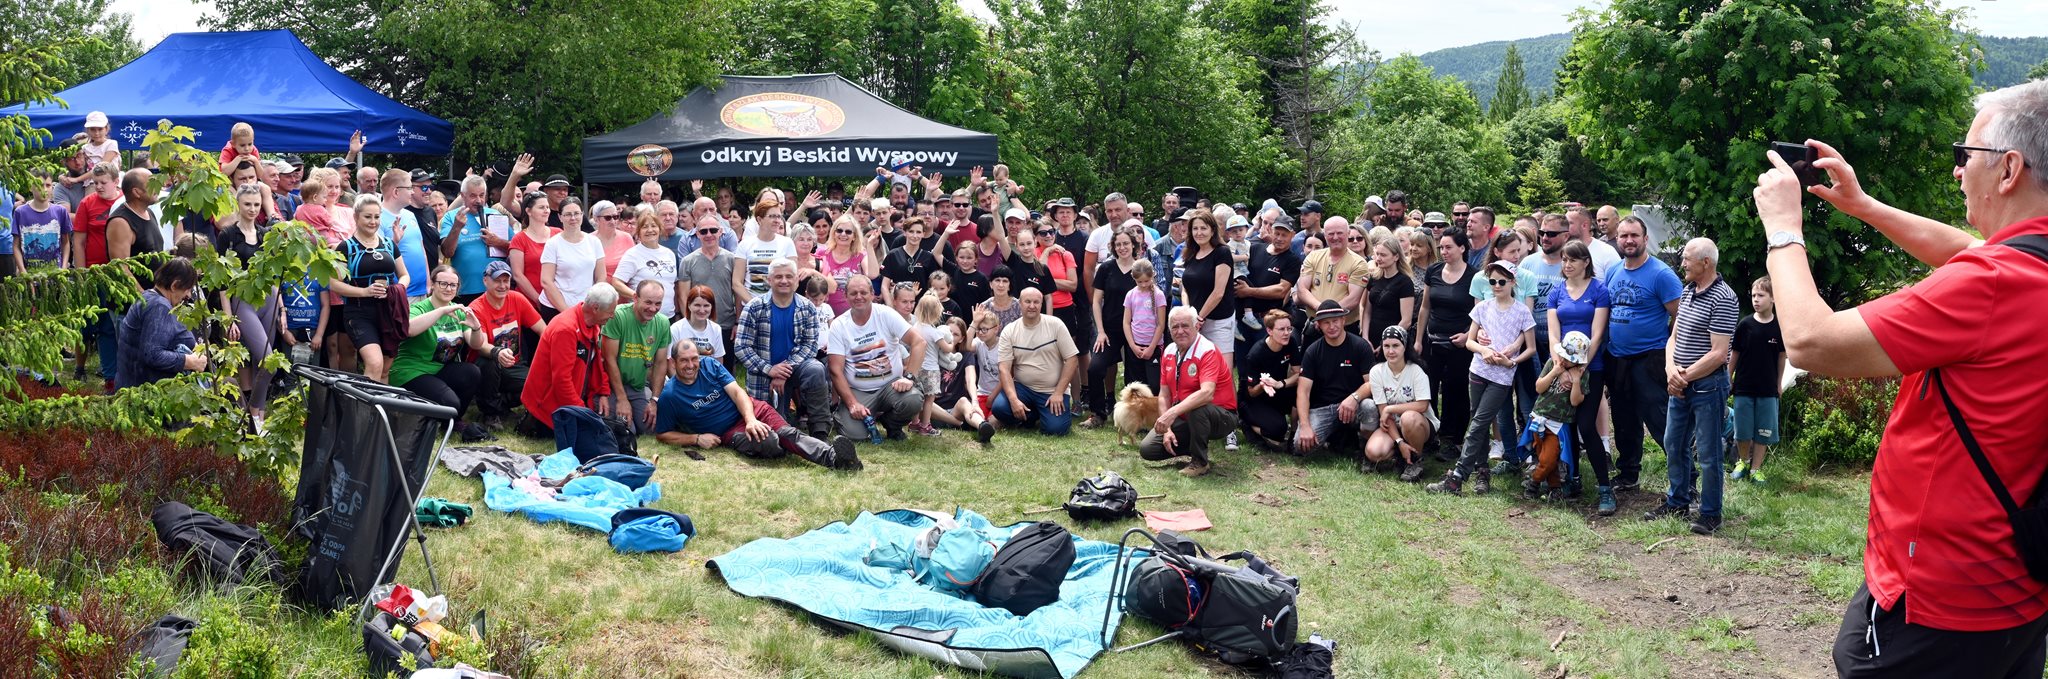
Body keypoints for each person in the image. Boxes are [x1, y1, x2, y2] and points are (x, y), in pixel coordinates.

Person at [1751, 90, 2048, 674]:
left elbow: (1811, 341)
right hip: (2017, 589)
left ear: (2009, 169)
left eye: (1966, 154)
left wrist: (1783, 229)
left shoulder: (1990, 284)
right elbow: (1963, 248)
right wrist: (1862, 205)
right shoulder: (2030, 265)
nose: (1958, 171)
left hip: (1938, 595)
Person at [1643, 237, 1738, 535]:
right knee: (1673, 444)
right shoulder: (1687, 292)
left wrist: (1682, 377)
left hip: (1708, 386)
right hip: (1680, 383)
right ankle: (1678, 502)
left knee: (1708, 453)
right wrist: (1670, 369)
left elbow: (1719, 354)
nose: (1682, 263)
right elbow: (1673, 337)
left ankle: (1711, 513)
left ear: (1706, 262)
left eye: (1687, 258)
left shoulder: (1724, 298)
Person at [654, 341, 862, 470]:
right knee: (770, 441)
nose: (691, 365)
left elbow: (737, 392)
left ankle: (836, 459)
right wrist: (697, 438)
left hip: (753, 411)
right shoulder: (670, 396)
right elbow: (663, 434)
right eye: (684, 361)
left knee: (787, 433)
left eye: (694, 359)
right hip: (730, 431)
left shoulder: (710, 365)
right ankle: (788, 447)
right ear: (673, 362)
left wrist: (751, 419)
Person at [1429, 262, 1536, 494]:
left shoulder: (1522, 311)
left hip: (1502, 377)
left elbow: (1531, 348)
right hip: (1478, 370)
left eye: (1502, 281)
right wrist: (1484, 350)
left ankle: (1457, 477)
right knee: (1478, 420)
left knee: (1478, 423)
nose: (1497, 286)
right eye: (1492, 281)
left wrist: (1512, 362)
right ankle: (1482, 473)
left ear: (1513, 282)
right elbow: (1470, 341)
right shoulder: (1482, 308)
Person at [1601, 216, 1684, 491]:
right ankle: (1628, 474)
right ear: (1617, 239)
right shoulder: (1613, 271)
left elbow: (1681, 317)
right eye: (1624, 236)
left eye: (1634, 235)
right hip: (1617, 358)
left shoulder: (1661, 274)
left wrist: (1670, 350)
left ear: (1645, 239)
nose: (1629, 241)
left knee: (1660, 421)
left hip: (1649, 358)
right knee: (1624, 420)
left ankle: (1686, 482)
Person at [1547, 241, 1615, 512]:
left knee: (1586, 425)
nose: (1567, 264)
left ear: (1586, 262)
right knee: (1568, 425)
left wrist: (1581, 367)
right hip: (1563, 367)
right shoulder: (1556, 292)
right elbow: (1553, 334)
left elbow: (1597, 334)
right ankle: (1573, 479)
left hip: (1592, 368)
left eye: (1573, 260)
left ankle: (1605, 489)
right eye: (1564, 259)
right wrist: (1561, 367)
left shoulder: (1599, 291)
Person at [734, 259, 834, 438]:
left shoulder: (807, 308)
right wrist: (770, 369)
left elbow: (810, 346)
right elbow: (742, 347)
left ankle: (820, 430)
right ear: (769, 280)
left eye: (789, 276)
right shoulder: (754, 308)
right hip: (764, 376)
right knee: (776, 431)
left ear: (796, 280)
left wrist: (783, 370)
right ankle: (788, 423)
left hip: (795, 368)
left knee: (816, 369)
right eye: (778, 276)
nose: (784, 280)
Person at [824, 274, 928, 440]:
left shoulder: (886, 314)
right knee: (854, 434)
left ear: (872, 294)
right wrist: (852, 404)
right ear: (845, 296)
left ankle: (892, 424)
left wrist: (909, 378)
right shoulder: (838, 325)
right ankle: (848, 415)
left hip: (891, 386)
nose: (859, 297)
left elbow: (919, 342)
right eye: (853, 293)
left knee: (913, 399)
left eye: (864, 292)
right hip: (858, 391)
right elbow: (835, 370)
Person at [391, 265, 489, 440]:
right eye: (443, 283)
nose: (448, 288)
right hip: (411, 371)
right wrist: (442, 310)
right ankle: (425, 418)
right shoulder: (419, 308)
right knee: (450, 404)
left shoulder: (459, 311)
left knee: (472, 372)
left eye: (453, 285)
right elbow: (409, 330)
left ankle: (451, 421)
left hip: (440, 370)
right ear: (433, 285)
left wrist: (476, 328)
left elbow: (476, 344)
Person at [1138, 306, 1237, 477]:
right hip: (1186, 415)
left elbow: (1207, 393)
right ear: (1169, 330)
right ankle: (1194, 446)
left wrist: (1172, 413)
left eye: (1185, 326)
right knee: (1148, 449)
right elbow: (1164, 395)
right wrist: (1167, 429)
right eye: (1175, 327)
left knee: (1197, 408)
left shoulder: (1207, 350)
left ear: (1196, 326)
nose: (1180, 331)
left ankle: (1200, 462)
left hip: (1222, 416)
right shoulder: (1169, 351)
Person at [214, 184, 281, 429]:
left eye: (256, 204)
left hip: (269, 298)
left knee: (262, 363)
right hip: (242, 299)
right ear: (238, 205)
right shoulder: (227, 235)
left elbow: (275, 275)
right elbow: (222, 282)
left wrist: (282, 309)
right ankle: (253, 411)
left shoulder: (266, 234)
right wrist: (228, 318)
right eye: (247, 204)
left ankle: (257, 419)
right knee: (269, 360)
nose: (252, 209)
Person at [518, 284, 619, 438]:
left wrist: (603, 393)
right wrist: (582, 413)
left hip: (573, 401)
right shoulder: (566, 329)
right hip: (548, 407)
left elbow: (596, 363)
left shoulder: (591, 324)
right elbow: (561, 380)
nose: (612, 316)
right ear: (595, 308)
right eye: (610, 312)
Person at [330, 195, 409, 383]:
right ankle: (362, 403)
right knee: (374, 363)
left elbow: (405, 275)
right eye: (367, 217)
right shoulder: (346, 247)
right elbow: (333, 283)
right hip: (359, 312)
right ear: (356, 217)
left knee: (385, 369)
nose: (373, 222)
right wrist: (364, 292)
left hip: (389, 311)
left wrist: (397, 289)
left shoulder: (389, 244)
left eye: (376, 217)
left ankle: (379, 404)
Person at [1516, 331, 1595, 501]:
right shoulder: (1552, 363)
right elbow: (1539, 387)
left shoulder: (1582, 374)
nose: (1564, 360)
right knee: (1543, 455)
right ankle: (1555, 488)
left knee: (1549, 458)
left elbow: (1575, 401)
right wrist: (1554, 372)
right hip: (1538, 418)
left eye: (1569, 359)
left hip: (1558, 424)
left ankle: (1533, 483)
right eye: (1563, 356)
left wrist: (1575, 381)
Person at [1292, 300, 1375, 461]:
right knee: (1300, 445)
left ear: (1343, 320)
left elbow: (1371, 383)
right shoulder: (1312, 351)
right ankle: (1334, 438)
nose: (1331, 326)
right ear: (1319, 325)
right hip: (1323, 408)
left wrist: (1354, 398)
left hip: (1354, 405)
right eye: (1326, 323)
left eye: (1335, 321)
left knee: (1369, 407)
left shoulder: (1360, 346)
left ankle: (1366, 450)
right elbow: (1303, 392)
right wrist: (1305, 426)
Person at [1419, 227, 1476, 456]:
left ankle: (1454, 438)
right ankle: (1430, 433)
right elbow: (1425, 307)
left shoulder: (1474, 276)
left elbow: (1479, 313)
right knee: (1429, 388)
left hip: (1459, 343)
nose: (1444, 251)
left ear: (1462, 248)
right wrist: (1418, 339)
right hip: (1432, 340)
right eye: (1441, 247)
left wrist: (1468, 336)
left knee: (1456, 390)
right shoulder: (1433, 271)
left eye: (1448, 247)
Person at [469, 261, 546, 428]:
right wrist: (497, 352)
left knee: (538, 383)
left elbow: (543, 330)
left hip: (514, 364)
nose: (503, 286)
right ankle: (490, 413)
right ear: (485, 281)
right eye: (497, 281)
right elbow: (480, 345)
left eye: (506, 281)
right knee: (489, 362)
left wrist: (550, 353)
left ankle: (501, 405)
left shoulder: (517, 298)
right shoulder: (477, 308)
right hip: (486, 365)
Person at [993, 288, 1080, 436]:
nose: (1032, 306)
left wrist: (1059, 392)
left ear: (1041, 304)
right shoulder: (1010, 330)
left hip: (1051, 390)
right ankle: (1033, 415)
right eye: (1027, 301)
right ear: (1019, 304)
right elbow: (1004, 368)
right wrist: (1013, 400)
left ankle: (1039, 415)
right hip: (1023, 388)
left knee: (1056, 430)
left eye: (1036, 302)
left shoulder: (1055, 324)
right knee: (1000, 409)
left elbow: (1072, 359)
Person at [1083, 229, 1144, 429]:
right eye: (1118, 244)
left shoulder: (1141, 268)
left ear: (1133, 245)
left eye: (1126, 243)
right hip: (1110, 330)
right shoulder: (1106, 268)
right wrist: (1100, 331)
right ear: (1113, 247)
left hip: (1136, 331)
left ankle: (1135, 417)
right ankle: (1098, 414)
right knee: (1095, 368)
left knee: (1134, 376)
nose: (1122, 247)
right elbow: (1096, 301)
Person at [116, 258, 207, 388]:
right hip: (147, 390)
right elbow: (152, 355)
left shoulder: (149, 297)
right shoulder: (159, 307)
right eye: (187, 289)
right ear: (174, 285)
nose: (188, 296)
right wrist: (190, 361)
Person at [1728, 277, 1784, 485]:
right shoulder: (1745, 325)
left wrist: (1778, 384)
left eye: (1761, 295)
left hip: (1767, 389)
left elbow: (1781, 357)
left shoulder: (1779, 327)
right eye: (1753, 296)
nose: (1756, 300)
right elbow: (1734, 354)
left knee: (1763, 431)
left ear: (1773, 298)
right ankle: (1743, 462)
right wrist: (1728, 377)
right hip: (1743, 387)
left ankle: (1756, 469)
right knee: (1743, 430)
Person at [1366, 327, 1435, 480]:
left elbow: (1422, 405)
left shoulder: (1416, 370)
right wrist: (1399, 441)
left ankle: (1415, 461)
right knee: (1373, 452)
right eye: (1386, 346)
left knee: (1408, 417)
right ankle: (1401, 451)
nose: (1391, 351)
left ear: (1405, 346)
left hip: (1419, 424)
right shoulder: (1376, 371)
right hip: (1393, 425)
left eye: (1396, 345)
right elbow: (1384, 413)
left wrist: (1391, 408)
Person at [603, 281, 672, 434]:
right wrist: (622, 399)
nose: (653, 308)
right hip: (611, 387)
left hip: (637, 388)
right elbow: (609, 360)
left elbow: (661, 364)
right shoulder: (618, 316)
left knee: (651, 428)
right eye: (648, 302)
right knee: (626, 430)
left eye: (658, 304)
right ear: (635, 298)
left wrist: (654, 400)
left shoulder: (663, 323)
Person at [1295, 216, 1370, 345]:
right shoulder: (1313, 257)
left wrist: (1325, 317)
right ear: (1325, 235)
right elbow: (1302, 290)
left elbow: (1353, 299)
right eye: (1330, 234)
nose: (1335, 237)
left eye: (1340, 233)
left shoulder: (1359, 263)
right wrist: (1322, 313)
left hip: (1345, 329)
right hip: (1314, 327)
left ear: (1347, 234)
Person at [1237, 218, 1300, 358]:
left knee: (1265, 363)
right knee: (1243, 362)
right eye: (1277, 233)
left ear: (1293, 235)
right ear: (1271, 231)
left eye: (1284, 235)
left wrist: (1248, 291)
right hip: (1243, 317)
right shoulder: (1254, 249)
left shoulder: (1293, 260)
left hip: (1267, 321)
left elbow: (1281, 290)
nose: (1279, 238)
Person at [1238, 310, 1299, 451]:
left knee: (1301, 391)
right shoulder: (1256, 354)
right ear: (1269, 331)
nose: (1286, 333)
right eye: (1281, 329)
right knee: (1278, 430)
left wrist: (1281, 383)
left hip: (1276, 390)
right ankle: (1246, 424)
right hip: (1253, 399)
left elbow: (1299, 373)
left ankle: (1293, 435)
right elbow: (1251, 392)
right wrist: (1262, 384)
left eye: (1289, 328)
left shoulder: (1290, 342)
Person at [678, 212, 743, 338]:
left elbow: (738, 293)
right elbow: (683, 296)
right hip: (698, 327)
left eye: (713, 230)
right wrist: (690, 324)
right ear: (697, 234)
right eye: (703, 231)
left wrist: (737, 322)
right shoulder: (687, 261)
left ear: (720, 232)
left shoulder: (732, 259)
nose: (708, 235)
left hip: (727, 326)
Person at [539, 198, 605, 315]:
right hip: (556, 308)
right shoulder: (553, 244)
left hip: (586, 307)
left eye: (576, 213)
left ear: (582, 215)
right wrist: (567, 312)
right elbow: (546, 281)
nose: (573, 218)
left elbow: (601, 277)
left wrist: (591, 303)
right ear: (560, 217)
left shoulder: (594, 242)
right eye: (568, 214)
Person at [613, 212, 682, 316]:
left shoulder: (669, 253)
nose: (650, 230)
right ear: (639, 232)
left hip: (668, 317)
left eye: (653, 226)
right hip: (642, 317)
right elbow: (616, 282)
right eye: (645, 227)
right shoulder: (633, 254)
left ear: (660, 229)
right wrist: (637, 296)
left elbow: (673, 286)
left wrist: (677, 313)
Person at [378, 170, 432, 298]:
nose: (412, 192)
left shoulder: (410, 215)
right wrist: (394, 242)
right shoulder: (377, 217)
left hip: (422, 290)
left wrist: (428, 281)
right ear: (396, 192)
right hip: (400, 293)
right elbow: (378, 259)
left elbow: (422, 249)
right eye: (409, 188)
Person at [507, 193, 558, 317]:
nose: (546, 210)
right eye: (541, 207)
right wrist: (538, 300)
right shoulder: (519, 239)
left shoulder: (558, 234)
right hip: (530, 303)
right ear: (528, 211)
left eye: (547, 207)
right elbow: (518, 275)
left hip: (557, 300)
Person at [736, 199, 797, 301]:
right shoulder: (745, 244)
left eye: (779, 216)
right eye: (772, 216)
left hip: (779, 304)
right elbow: (737, 282)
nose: (777, 220)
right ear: (759, 220)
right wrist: (754, 305)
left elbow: (794, 279)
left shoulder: (787, 243)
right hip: (752, 304)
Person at [1365, 235, 1416, 356]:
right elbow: (1367, 311)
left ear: (1396, 257)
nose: (1378, 258)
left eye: (1383, 255)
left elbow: (1406, 320)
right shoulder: (1374, 278)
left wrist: (1385, 344)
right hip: (1370, 336)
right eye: (1377, 254)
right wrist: (1365, 337)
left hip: (1393, 341)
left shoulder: (1405, 282)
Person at [14, 169, 71, 269]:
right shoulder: (20, 212)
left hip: (56, 273)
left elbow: (65, 242)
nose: (44, 189)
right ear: (30, 187)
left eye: (48, 185)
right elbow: (16, 246)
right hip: (29, 273)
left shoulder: (60, 211)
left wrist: (64, 266)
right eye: (39, 185)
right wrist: (22, 271)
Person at [881, 216, 941, 297]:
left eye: (918, 232)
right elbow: (884, 286)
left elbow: (933, 287)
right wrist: (890, 304)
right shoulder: (893, 255)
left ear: (923, 234)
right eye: (911, 231)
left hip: (922, 303)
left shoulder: (929, 257)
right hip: (898, 302)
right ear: (905, 232)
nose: (915, 236)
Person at [669, 285, 725, 360]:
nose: (702, 310)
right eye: (697, 305)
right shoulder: (676, 329)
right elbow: (670, 360)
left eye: (706, 306)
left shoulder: (716, 329)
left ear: (712, 307)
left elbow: (718, 361)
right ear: (689, 305)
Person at [1566, 207, 1622, 275]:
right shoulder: (1560, 251)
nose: (1601, 224)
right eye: (1599, 220)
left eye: (1569, 223)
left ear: (1584, 225)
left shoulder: (1607, 252)